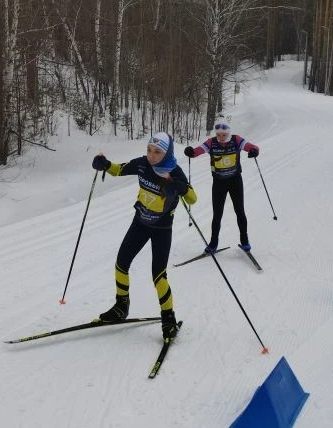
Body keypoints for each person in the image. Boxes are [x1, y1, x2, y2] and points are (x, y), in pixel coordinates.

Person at [92, 132, 196, 339]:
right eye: (149, 150)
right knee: (121, 264)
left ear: (167, 153)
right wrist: (104, 164)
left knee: (158, 275)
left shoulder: (174, 171)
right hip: (140, 223)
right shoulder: (142, 164)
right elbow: (118, 169)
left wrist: (179, 186)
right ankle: (121, 307)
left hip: (162, 229)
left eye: (157, 152)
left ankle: (169, 320)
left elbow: (192, 198)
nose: (151, 155)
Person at [183, 121, 259, 253]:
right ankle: (213, 243)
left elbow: (253, 147)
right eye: (218, 134)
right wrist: (190, 152)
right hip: (218, 183)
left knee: (239, 211)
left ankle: (245, 241)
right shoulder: (211, 142)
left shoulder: (236, 140)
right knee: (217, 214)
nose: (221, 137)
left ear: (228, 133)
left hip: (235, 181)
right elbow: (197, 151)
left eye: (224, 135)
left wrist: (254, 151)